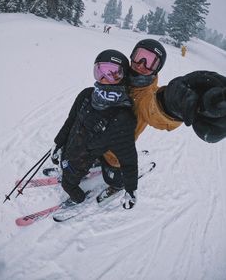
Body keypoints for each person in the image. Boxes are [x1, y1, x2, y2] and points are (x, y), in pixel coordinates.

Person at [100, 39, 226, 184]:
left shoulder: (146, 95)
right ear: (132, 56)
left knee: (113, 172)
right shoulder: (119, 76)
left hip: (115, 151)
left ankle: (117, 183)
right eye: (139, 56)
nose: (141, 65)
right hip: (96, 138)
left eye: (150, 62)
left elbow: (154, 110)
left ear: (157, 69)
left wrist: (172, 105)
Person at [51, 50, 138, 209]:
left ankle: (78, 198)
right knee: (66, 164)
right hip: (69, 149)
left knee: (68, 184)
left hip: (81, 161)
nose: (104, 79)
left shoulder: (122, 117)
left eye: (113, 74)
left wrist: (131, 189)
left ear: (123, 77)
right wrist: (58, 143)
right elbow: (70, 122)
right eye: (100, 72)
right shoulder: (86, 95)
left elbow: (129, 159)